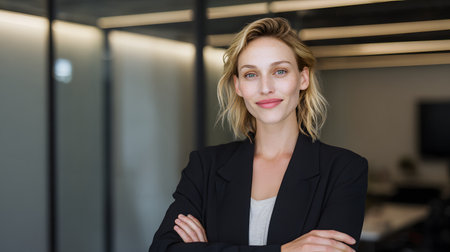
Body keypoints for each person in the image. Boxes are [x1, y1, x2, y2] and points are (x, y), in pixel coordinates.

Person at [149, 17, 368, 252]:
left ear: (303, 78)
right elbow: (163, 249)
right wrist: (284, 250)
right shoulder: (205, 166)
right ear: (238, 86)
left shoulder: (345, 169)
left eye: (280, 71)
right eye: (251, 74)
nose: (265, 87)